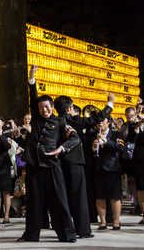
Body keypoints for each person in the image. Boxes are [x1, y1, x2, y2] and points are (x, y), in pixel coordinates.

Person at [18, 65, 79, 243]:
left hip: (52, 166)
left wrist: (61, 149)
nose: (44, 110)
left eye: (47, 107)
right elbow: (33, 96)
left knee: (59, 201)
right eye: (41, 108)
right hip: (34, 166)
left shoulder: (61, 121)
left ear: (52, 107)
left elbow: (74, 138)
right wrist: (31, 77)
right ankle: (31, 235)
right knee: (34, 203)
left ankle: (67, 234)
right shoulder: (36, 119)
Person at [53, 92, 114, 238]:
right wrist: (110, 103)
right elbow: (97, 118)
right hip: (75, 162)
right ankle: (83, 230)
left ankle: (66, 229)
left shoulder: (54, 121)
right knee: (79, 196)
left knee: (63, 196)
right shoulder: (75, 121)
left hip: (59, 162)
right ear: (69, 108)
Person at [90, 117, 124, 230]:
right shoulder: (93, 134)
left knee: (115, 196)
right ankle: (103, 221)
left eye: (102, 122)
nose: (100, 124)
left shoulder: (116, 134)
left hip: (112, 167)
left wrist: (106, 141)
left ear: (108, 123)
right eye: (98, 122)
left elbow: (120, 147)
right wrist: (93, 147)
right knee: (100, 196)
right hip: (98, 167)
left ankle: (116, 221)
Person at [130, 105, 144, 224]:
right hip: (140, 160)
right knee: (142, 187)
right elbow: (131, 139)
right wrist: (138, 124)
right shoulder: (135, 125)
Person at [0, 114, 15, 225]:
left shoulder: (7, 133)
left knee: (5, 191)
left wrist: (0, 135)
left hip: (4, 165)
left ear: (2, 123)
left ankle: (6, 216)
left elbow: (7, 146)